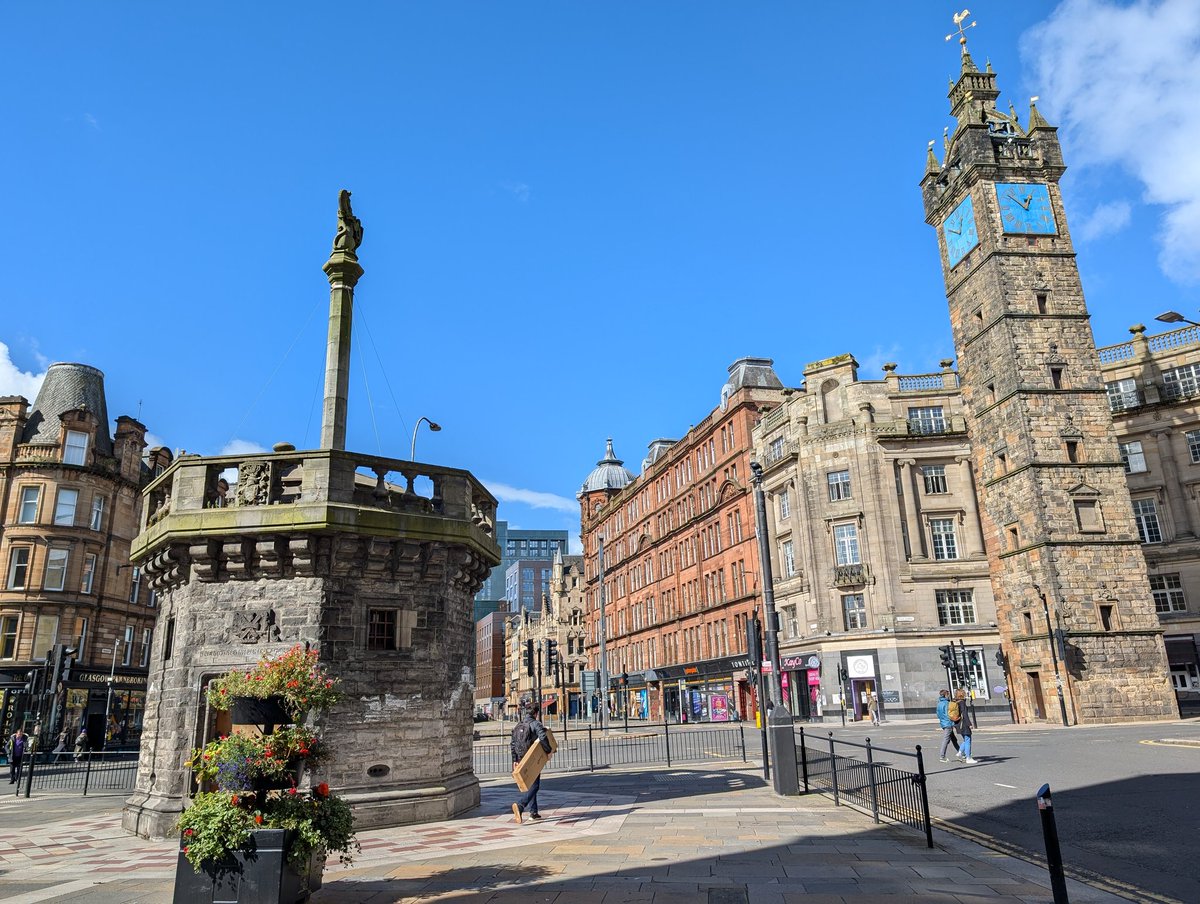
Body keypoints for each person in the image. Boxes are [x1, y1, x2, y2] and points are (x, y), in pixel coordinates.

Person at [511, 703, 552, 823]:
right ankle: (521, 805)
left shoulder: (518, 725)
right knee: (535, 785)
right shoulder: (535, 724)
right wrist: (548, 750)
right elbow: (543, 737)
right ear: (536, 713)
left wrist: (515, 760)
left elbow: (512, 743)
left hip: (520, 758)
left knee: (529, 784)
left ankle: (533, 812)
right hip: (531, 758)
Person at [936, 690, 960, 762]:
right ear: (946, 695)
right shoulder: (947, 703)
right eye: (948, 694)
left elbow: (938, 714)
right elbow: (950, 714)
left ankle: (961, 753)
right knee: (946, 740)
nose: (949, 696)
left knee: (954, 739)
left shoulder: (939, 704)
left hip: (943, 723)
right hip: (948, 723)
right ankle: (942, 756)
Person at [955, 689, 978, 763]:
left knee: (966, 739)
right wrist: (969, 724)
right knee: (968, 740)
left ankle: (960, 752)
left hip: (958, 723)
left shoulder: (955, 702)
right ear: (962, 694)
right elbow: (965, 714)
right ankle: (968, 758)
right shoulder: (962, 703)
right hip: (964, 724)